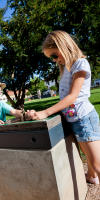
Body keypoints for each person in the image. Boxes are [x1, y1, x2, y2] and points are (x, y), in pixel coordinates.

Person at [29, 30, 100, 184]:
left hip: (84, 118)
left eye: (54, 55)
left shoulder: (81, 64)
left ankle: (94, 173)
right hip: (75, 120)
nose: (54, 60)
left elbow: (73, 97)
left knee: (96, 163)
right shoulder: (67, 69)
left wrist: (46, 112)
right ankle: (92, 177)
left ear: (64, 45)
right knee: (88, 156)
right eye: (51, 58)